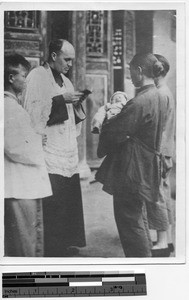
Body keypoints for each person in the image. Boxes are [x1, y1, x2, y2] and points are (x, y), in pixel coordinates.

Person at [96, 53, 169, 257]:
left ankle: (141, 264)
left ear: (138, 71)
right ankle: (146, 261)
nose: (130, 75)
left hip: (132, 167)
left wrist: (107, 120)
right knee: (138, 217)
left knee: (129, 220)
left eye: (130, 71)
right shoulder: (159, 95)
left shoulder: (139, 102)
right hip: (147, 164)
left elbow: (115, 133)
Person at [24, 39, 86, 257]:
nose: (70, 64)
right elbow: (33, 113)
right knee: (55, 198)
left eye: (71, 60)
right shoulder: (37, 76)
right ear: (53, 56)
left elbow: (71, 115)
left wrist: (76, 102)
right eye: (66, 59)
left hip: (66, 144)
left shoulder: (66, 81)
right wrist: (61, 100)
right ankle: (53, 247)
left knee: (67, 196)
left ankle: (66, 242)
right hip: (49, 146)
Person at [4, 54, 52, 256]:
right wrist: (37, 141)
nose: (25, 80)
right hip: (19, 184)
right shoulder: (8, 107)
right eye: (23, 75)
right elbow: (15, 147)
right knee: (25, 241)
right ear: (11, 78)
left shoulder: (12, 106)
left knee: (27, 236)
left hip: (22, 183)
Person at [147, 54, 175, 256]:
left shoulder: (160, 94)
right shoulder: (163, 92)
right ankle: (167, 238)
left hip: (159, 150)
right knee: (162, 194)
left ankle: (163, 241)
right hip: (164, 150)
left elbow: (160, 129)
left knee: (157, 196)